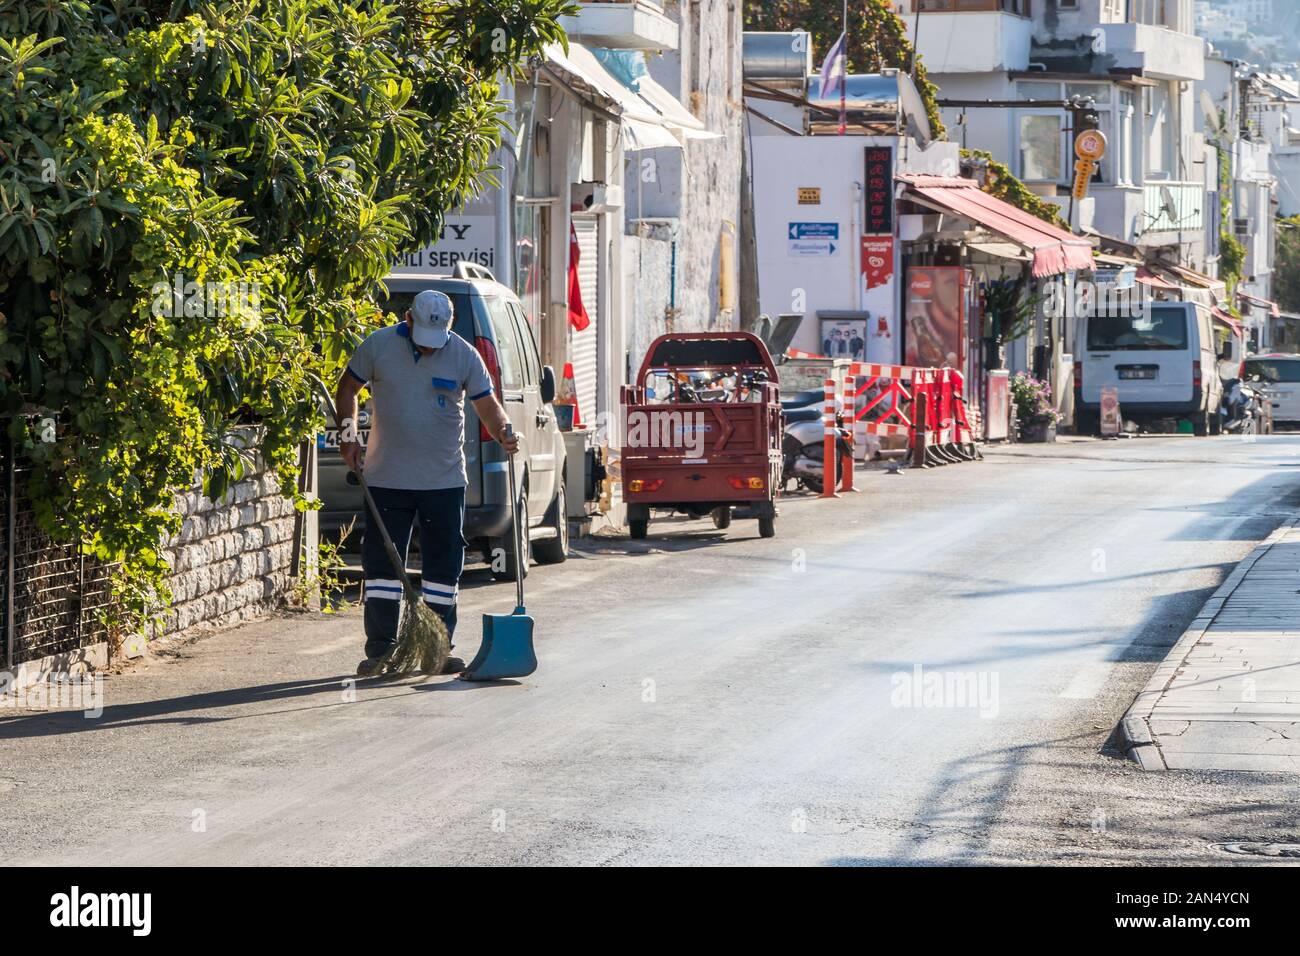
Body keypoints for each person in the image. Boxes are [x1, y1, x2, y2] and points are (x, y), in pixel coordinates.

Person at [336, 290, 519, 677]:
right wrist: (349, 436)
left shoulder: (466, 355)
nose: (432, 348)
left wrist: (503, 431)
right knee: (383, 568)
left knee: (443, 567)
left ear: (448, 328)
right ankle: (381, 651)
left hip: (444, 480)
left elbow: (487, 405)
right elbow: (348, 387)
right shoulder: (378, 346)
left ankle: (437, 647)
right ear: (407, 319)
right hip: (387, 479)